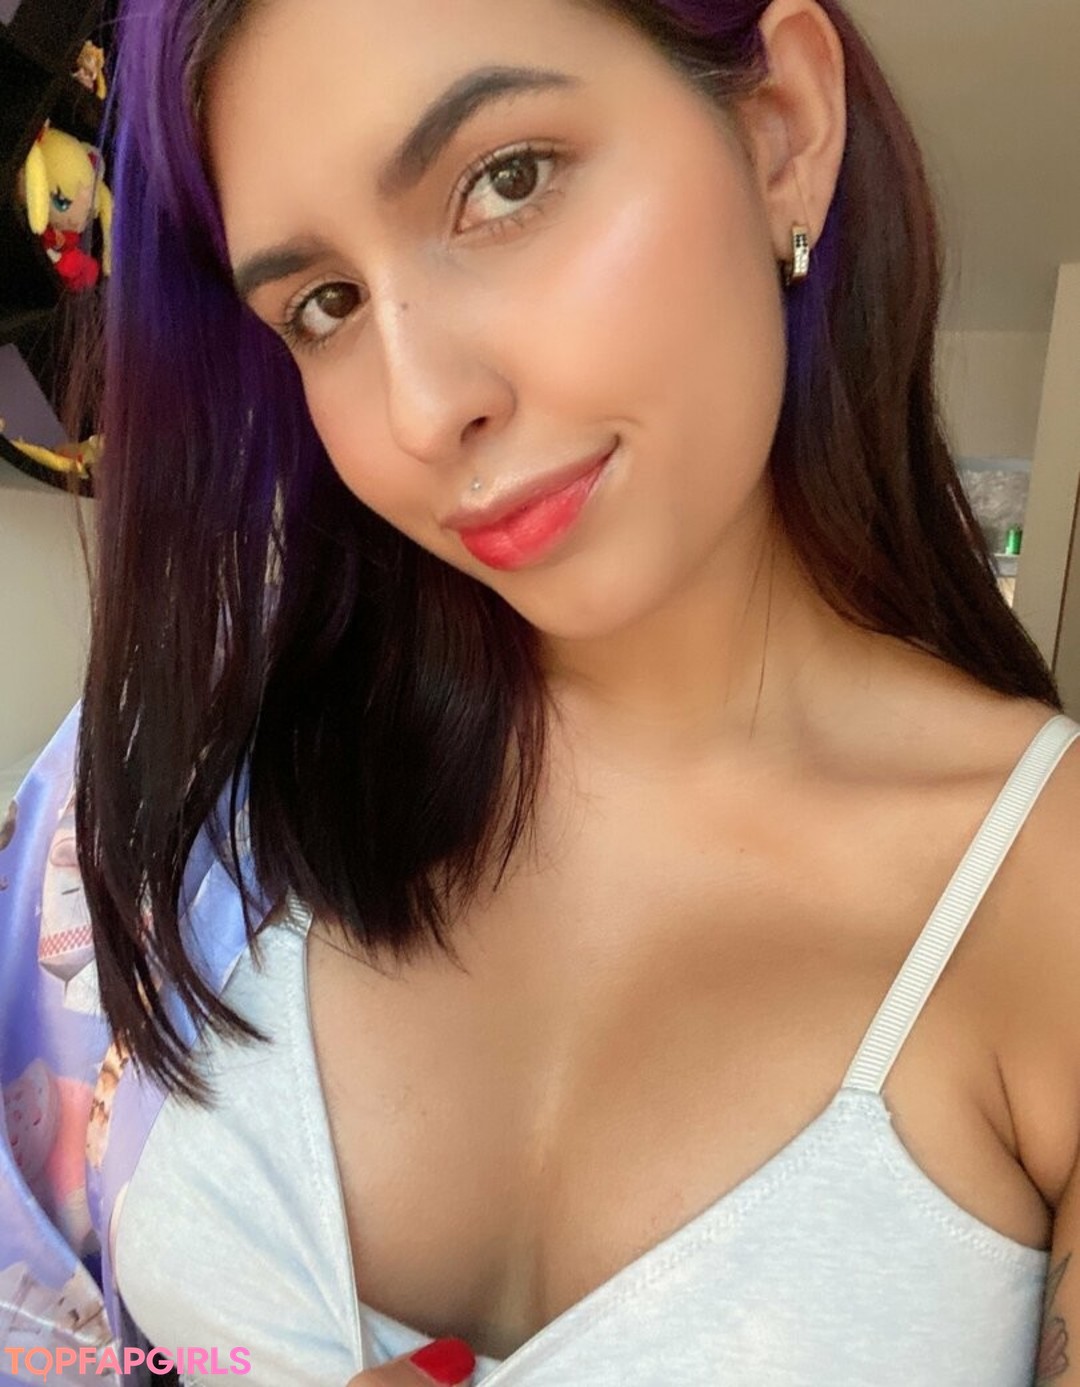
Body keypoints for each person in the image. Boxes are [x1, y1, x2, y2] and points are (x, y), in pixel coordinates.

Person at [1, 0, 1077, 1383]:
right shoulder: (182, 780)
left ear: (783, 132)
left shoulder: (1046, 907)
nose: (419, 409)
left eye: (505, 181)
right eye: (324, 304)